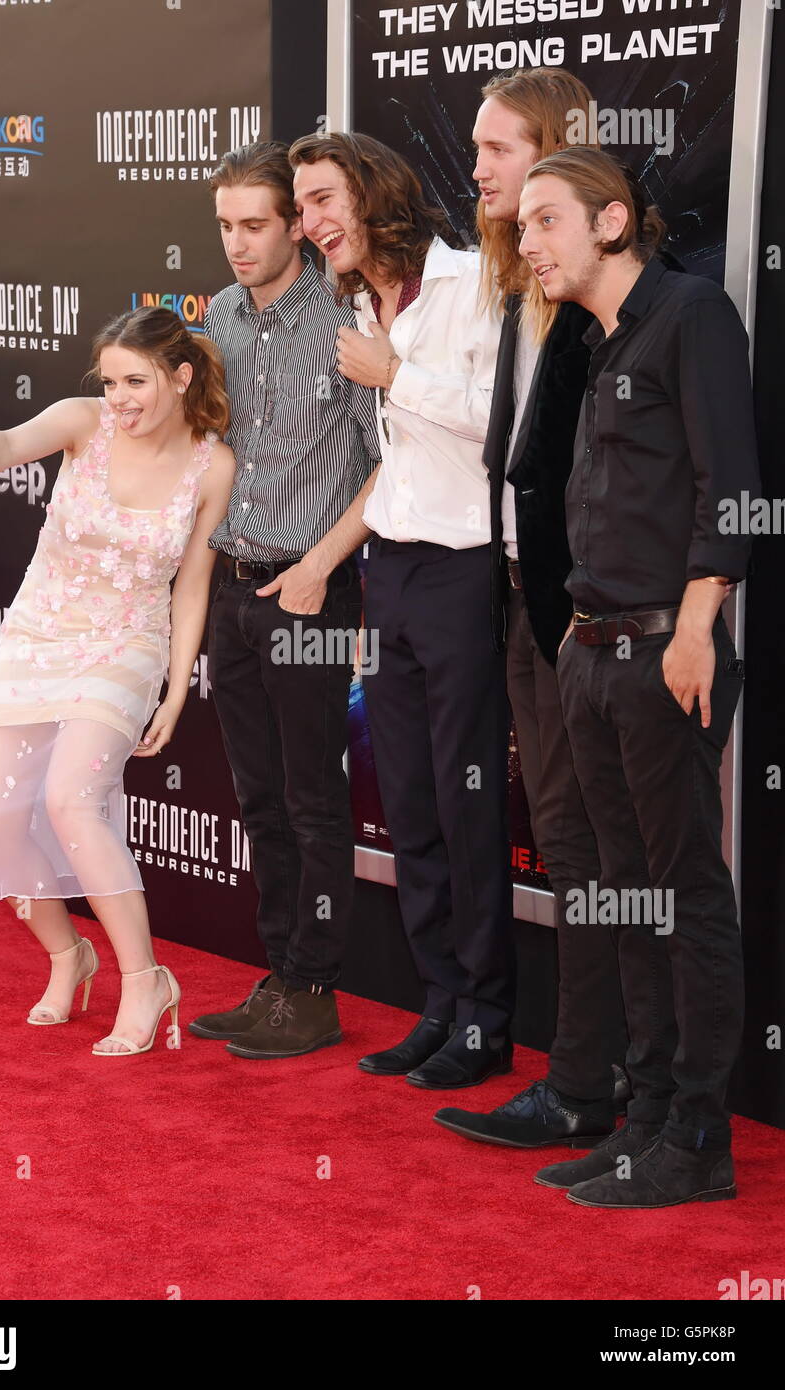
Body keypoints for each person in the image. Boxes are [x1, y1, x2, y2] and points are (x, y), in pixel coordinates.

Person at [517, 148, 759, 1207]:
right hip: (590, 649)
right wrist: (575, 638)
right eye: (521, 225)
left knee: (678, 896)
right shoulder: (595, 335)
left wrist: (698, 625)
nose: (524, 244)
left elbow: (730, 484)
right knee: (624, 898)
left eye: (543, 221)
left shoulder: (691, 316)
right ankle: (647, 1120)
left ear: (610, 222)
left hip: (666, 651)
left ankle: (697, 1139)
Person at [0, 308, 234, 1056]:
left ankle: (145, 980)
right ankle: (66, 954)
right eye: (111, 380)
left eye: (136, 381)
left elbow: (190, 588)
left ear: (179, 379)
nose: (119, 397)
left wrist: (176, 690)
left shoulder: (214, 466)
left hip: (126, 646)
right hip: (37, 634)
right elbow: (10, 443)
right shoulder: (84, 423)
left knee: (71, 801)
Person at [289, 131, 514, 1089]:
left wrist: (394, 376)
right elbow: (400, 463)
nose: (311, 224)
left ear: (375, 193)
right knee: (409, 801)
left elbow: (503, 420)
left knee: (467, 804)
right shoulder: (361, 304)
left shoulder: (475, 284)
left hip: (467, 571)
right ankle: (439, 1003)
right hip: (393, 572)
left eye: (323, 200)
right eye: (301, 208)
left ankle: (489, 1022)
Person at [434, 69, 629, 1149]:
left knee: (602, 857)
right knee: (563, 843)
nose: (476, 170)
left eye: (498, 149)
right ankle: (580, 1076)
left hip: (584, 619)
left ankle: (596, 1084)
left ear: (556, 151)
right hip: (516, 600)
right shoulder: (513, 285)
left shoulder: (613, 298)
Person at [187, 141, 381, 1059]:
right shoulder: (219, 315)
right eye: (225, 225)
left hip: (309, 591)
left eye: (255, 224)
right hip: (231, 590)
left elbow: (389, 464)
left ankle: (316, 984)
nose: (237, 242)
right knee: (260, 798)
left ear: (298, 224)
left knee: (313, 799)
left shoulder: (347, 315)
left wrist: (320, 568)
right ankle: (280, 977)